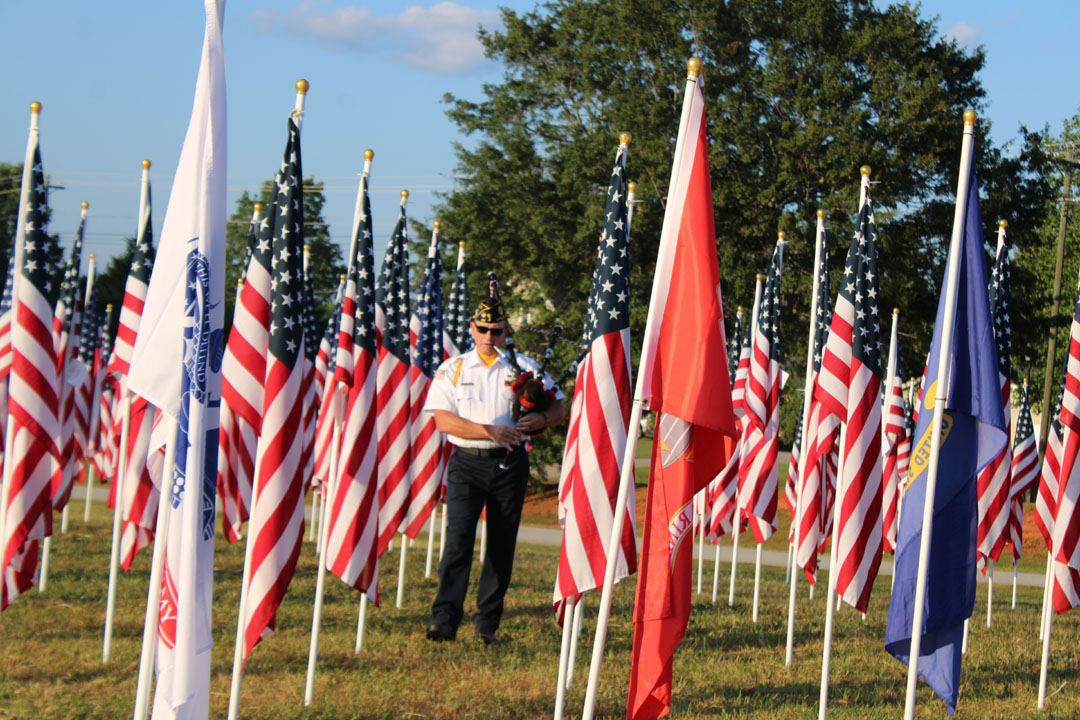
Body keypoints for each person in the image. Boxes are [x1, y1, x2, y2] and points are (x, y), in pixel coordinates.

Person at [422, 279, 565, 644]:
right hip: (466, 463)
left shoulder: (524, 367)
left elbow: (559, 405)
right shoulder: (453, 368)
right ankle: (445, 619)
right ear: (472, 328)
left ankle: (488, 622)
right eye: (482, 329)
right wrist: (488, 430)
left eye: (496, 330)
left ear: (506, 331)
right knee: (458, 542)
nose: (489, 336)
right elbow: (442, 420)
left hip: (510, 463)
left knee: (501, 544)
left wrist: (542, 420)